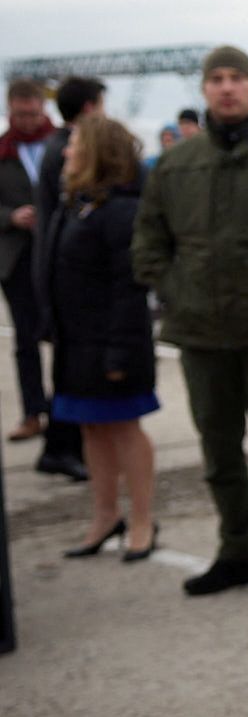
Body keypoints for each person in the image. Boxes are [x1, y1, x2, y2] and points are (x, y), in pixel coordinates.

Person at [132, 46, 248, 595]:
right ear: (204, 89)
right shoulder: (175, 165)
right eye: (216, 78)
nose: (227, 87)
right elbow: (149, 242)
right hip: (201, 333)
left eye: (237, 77)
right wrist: (178, 292)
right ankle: (237, 550)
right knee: (218, 450)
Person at [48, 115, 159, 560]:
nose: (67, 150)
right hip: (76, 345)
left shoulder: (121, 210)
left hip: (112, 344)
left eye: (75, 142)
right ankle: (105, 514)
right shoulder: (77, 205)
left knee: (124, 428)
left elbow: (127, 288)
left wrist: (118, 352)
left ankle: (142, 520)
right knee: (92, 428)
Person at [27, 79, 100, 482]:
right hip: (63, 273)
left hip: (57, 269)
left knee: (70, 367)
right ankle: (61, 447)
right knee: (69, 368)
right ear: (90, 107)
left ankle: (61, 446)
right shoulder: (66, 151)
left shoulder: (57, 146)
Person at [1, 78, 57, 444]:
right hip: (17, 258)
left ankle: (66, 412)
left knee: (65, 334)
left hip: (59, 254)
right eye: (20, 114)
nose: (27, 120)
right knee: (26, 339)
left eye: (33, 113)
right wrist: (10, 217)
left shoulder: (63, 145)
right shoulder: (2, 152)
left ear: (43, 109)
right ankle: (32, 412)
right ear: (10, 111)